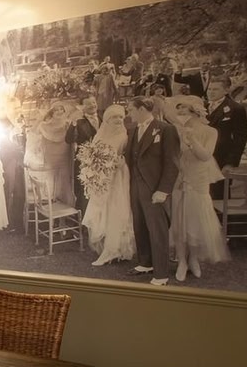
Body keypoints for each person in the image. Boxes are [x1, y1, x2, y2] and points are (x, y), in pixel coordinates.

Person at [164, 96, 229, 282]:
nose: (180, 113)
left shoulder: (210, 132)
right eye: (178, 110)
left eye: (184, 109)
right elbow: (171, 155)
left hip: (198, 179)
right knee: (179, 220)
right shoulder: (174, 130)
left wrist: (191, 139)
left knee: (195, 220)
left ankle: (193, 259)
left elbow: (205, 156)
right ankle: (181, 261)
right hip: (180, 178)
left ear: (195, 112)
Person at [124, 97, 180, 285]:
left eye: (131, 109)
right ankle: (145, 262)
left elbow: (172, 163)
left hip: (155, 188)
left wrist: (163, 190)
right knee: (139, 225)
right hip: (136, 186)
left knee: (158, 230)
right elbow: (131, 158)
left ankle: (161, 273)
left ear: (141, 109)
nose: (128, 114)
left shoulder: (166, 129)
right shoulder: (133, 130)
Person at [81, 105, 136, 266]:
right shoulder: (99, 136)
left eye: (120, 117)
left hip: (118, 178)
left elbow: (129, 157)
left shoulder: (125, 136)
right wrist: (92, 169)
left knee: (116, 210)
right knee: (102, 211)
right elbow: (91, 156)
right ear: (107, 120)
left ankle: (113, 249)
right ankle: (108, 246)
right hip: (102, 179)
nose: (118, 120)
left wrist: (122, 163)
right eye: (114, 118)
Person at [206, 77, 247, 199]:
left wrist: (230, 162)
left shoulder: (235, 108)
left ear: (226, 90)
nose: (211, 92)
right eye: (209, 89)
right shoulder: (202, 107)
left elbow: (240, 138)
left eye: (215, 89)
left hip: (221, 159)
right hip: (203, 158)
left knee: (219, 196)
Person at [65, 95, 101, 215]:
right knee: (84, 192)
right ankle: (83, 220)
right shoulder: (78, 122)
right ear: (82, 107)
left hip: (102, 162)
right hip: (85, 162)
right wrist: (73, 124)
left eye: (93, 102)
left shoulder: (104, 118)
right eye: (88, 103)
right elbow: (69, 139)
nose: (92, 105)